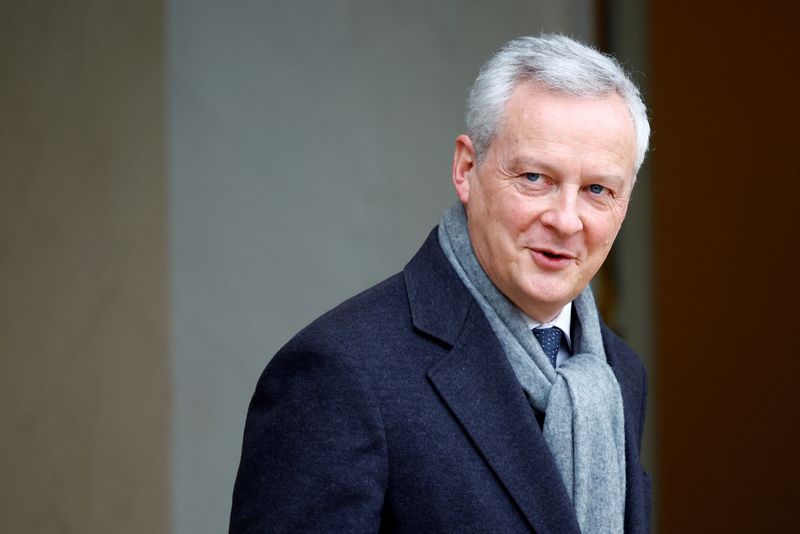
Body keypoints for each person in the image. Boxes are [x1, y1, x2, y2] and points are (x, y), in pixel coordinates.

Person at [230, 34, 651, 533]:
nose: (565, 219)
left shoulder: (617, 373)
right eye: (535, 178)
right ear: (466, 169)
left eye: (597, 190)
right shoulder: (341, 373)